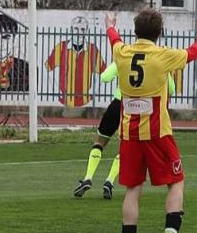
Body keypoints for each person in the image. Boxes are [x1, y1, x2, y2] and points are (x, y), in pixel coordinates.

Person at [107, 9, 197, 233]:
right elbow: (193, 53)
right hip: (158, 132)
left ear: (135, 31)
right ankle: (171, 232)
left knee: (132, 188)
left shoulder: (122, 52)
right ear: (160, 32)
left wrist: (110, 25)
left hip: (129, 133)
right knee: (177, 180)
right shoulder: (162, 55)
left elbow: (113, 39)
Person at [74, 61, 176, 201]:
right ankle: (109, 181)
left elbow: (104, 77)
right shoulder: (157, 61)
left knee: (100, 141)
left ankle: (88, 178)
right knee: (124, 145)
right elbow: (171, 89)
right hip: (135, 108)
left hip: (117, 103)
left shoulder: (124, 57)